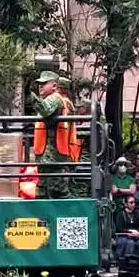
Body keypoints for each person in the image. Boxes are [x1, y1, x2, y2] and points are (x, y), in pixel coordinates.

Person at [29, 71, 79, 199]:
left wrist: (32, 96)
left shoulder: (55, 98)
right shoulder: (60, 100)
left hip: (52, 156)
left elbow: (44, 110)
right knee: (43, 191)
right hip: (48, 156)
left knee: (57, 191)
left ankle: (74, 212)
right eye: (39, 84)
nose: (40, 86)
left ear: (55, 86)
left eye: (44, 83)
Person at [112, 195, 139, 259]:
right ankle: (127, 262)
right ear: (126, 204)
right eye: (131, 202)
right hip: (124, 236)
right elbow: (119, 229)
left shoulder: (137, 213)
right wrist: (130, 231)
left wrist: (138, 232)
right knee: (130, 243)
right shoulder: (121, 214)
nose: (133, 204)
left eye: (134, 202)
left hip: (135, 236)